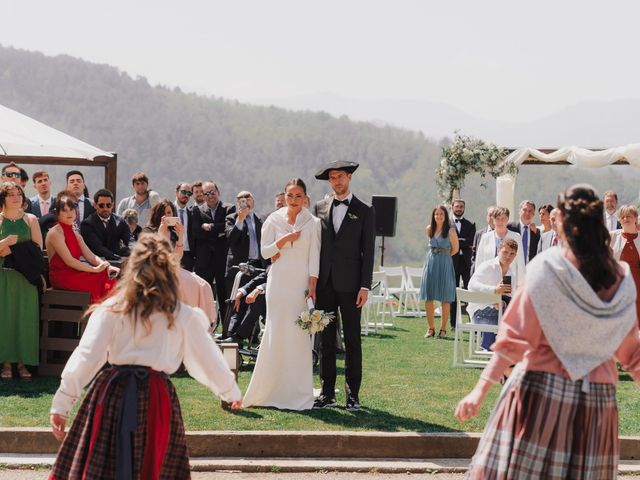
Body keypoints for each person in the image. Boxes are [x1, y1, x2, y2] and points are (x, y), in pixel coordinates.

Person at [456, 184, 640, 479]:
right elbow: (633, 353)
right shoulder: (620, 277)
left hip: (540, 391)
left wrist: (480, 391)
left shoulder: (546, 268)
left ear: (562, 226)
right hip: (596, 402)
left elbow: (513, 338)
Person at [48, 234, 241, 478]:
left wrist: (62, 403)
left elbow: (87, 357)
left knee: (107, 465)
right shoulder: (181, 314)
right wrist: (229, 391)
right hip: (155, 396)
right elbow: (205, 359)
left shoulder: (113, 308)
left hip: (112, 394)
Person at [243, 178, 321, 410]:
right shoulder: (273, 219)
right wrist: (285, 239)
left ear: (305, 197)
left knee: (297, 336)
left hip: (300, 284)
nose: (294, 200)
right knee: (276, 333)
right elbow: (265, 252)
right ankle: (270, 390)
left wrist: (312, 285)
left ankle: (296, 392)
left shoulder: (313, 222)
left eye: (298, 196)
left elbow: (314, 255)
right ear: (284, 197)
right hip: (277, 284)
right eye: (290, 196)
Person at [313, 161, 375, 411]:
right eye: (332, 178)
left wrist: (365, 286)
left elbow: (368, 251)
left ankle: (353, 396)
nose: (336, 182)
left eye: (340, 177)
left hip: (352, 286)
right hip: (324, 284)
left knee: (352, 340)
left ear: (349, 178)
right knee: (325, 340)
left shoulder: (365, 210)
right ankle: (327, 393)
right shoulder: (319, 207)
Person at [0, 182, 43, 380]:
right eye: (10, 194)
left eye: (19, 193)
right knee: (5, 321)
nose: (16, 197)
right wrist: (5, 243)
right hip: (4, 278)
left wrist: (9, 250)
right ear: (3, 199)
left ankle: (23, 363)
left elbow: (36, 250)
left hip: (26, 278)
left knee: (25, 319)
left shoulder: (31, 219)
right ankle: (6, 363)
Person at [46, 191, 118, 303]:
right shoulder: (55, 232)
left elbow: (90, 256)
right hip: (62, 276)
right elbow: (70, 261)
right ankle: (99, 312)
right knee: (100, 278)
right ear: (58, 213)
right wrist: (94, 269)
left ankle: (108, 313)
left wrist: (106, 266)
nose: (69, 213)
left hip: (75, 273)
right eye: (64, 210)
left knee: (108, 276)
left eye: (71, 209)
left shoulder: (75, 233)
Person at [222, 191, 266, 339]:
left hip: (258, 268)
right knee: (236, 306)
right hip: (238, 269)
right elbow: (231, 239)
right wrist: (240, 220)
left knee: (255, 305)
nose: (246, 201)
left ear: (253, 200)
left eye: (248, 198)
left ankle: (246, 336)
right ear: (237, 203)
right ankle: (231, 339)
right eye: (242, 199)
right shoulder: (231, 218)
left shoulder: (261, 219)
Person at [192, 181, 234, 320]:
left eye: (212, 192)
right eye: (207, 193)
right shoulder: (197, 210)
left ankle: (226, 330)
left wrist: (210, 227)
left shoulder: (229, 208)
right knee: (204, 296)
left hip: (223, 260)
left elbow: (228, 229)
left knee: (224, 296)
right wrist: (218, 231)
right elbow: (197, 232)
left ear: (218, 192)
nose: (210, 196)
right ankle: (204, 328)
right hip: (204, 261)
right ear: (202, 196)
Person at [467, 238, 518, 350]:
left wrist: (501, 303)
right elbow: (472, 285)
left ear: (515, 256)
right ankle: (495, 347)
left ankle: (496, 347)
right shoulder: (487, 266)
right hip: (480, 313)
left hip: (500, 313)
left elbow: (509, 298)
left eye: (512, 254)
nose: (508, 256)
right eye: (505, 252)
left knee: (515, 311)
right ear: (498, 250)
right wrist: (494, 290)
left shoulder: (511, 274)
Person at [419, 205, 459, 338]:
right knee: (428, 296)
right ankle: (430, 328)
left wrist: (444, 256)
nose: (439, 216)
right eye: (436, 214)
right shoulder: (429, 229)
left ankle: (443, 329)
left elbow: (455, 249)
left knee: (445, 297)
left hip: (445, 263)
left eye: (441, 214)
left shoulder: (451, 231)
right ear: (433, 216)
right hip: (430, 263)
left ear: (445, 216)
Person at [475, 207, 525, 287]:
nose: (500, 222)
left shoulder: (516, 237)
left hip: (509, 280)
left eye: (503, 219)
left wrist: (521, 285)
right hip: (488, 280)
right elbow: (479, 262)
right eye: (497, 218)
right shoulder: (485, 237)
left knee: (506, 299)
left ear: (507, 219)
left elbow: (520, 263)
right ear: (493, 220)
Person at [80, 189, 134, 262]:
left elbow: (130, 239)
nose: (105, 208)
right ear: (95, 205)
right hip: (96, 263)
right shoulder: (87, 224)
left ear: (113, 205)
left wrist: (133, 252)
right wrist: (118, 258)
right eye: (101, 205)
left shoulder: (120, 220)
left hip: (118, 262)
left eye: (108, 205)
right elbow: (98, 248)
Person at [610, 204, 640, 326]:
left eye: (629, 216)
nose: (625, 219)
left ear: (636, 218)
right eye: (622, 217)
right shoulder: (612, 236)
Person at [450, 198, 475, 329]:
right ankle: (453, 324)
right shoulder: (447, 224)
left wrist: (456, 241)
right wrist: (462, 241)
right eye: (457, 206)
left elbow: (471, 241)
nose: (459, 209)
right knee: (452, 292)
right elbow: (448, 241)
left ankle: (472, 321)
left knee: (469, 291)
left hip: (466, 263)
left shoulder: (470, 225)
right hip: (451, 262)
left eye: (461, 207)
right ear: (452, 207)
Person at [507, 200, 540, 264]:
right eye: (524, 210)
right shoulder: (509, 227)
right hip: (513, 268)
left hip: (530, 269)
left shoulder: (536, 232)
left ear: (533, 214)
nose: (527, 213)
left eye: (530, 211)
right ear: (519, 211)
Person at [173, 182, 195, 271]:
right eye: (183, 192)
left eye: (189, 193)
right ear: (176, 192)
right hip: (172, 253)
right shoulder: (168, 210)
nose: (186, 195)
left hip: (187, 255)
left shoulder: (192, 213)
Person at [471, 206, 496, 270]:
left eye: (495, 215)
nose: (492, 217)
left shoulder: (504, 233)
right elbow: (474, 255)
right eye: (490, 215)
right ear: (486, 217)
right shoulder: (479, 234)